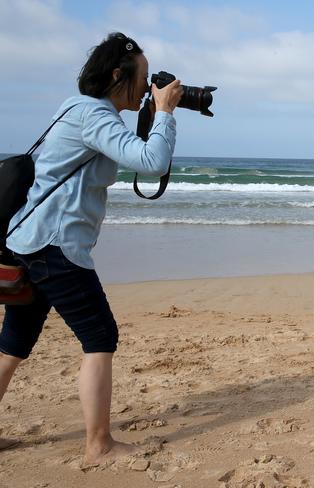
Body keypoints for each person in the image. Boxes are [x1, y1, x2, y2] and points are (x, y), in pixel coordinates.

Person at [0, 32, 183, 462]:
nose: (147, 86)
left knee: (14, 342)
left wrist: (152, 112)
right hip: (56, 246)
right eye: (143, 76)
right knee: (100, 338)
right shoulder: (94, 115)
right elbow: (152, 162)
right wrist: (165, 113)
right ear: (118, 75)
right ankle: (99, 445)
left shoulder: (77, 108)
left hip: (32, 239)